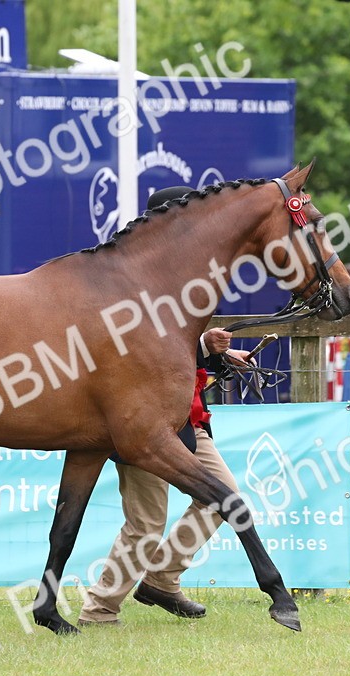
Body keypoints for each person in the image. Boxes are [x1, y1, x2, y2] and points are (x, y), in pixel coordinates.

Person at [78, 186, 252, 627]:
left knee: (222, 499)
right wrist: (202, 344)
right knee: (146, 524)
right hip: (145, 425)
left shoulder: (182, 284)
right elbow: (140, 355)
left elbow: (171, 355)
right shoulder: (137, 284)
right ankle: (100, 610)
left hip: (189, 424)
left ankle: (160, 579)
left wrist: (211, 353)